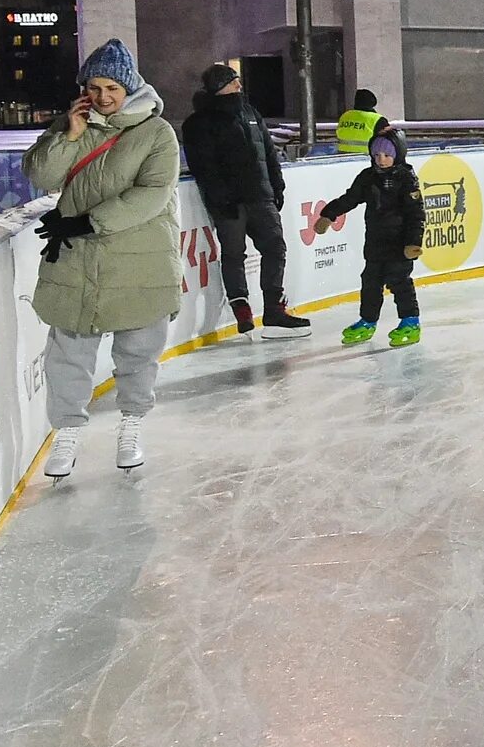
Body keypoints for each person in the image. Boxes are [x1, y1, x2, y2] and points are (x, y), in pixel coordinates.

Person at [23, 38, 183, 478]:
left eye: (112, 87)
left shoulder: (157, 133)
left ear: (129, 88)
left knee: (138, 351)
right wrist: (69, 135)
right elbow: (41, 176)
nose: (102, 97)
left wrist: (89, 222)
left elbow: (152, 194)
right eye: (94, 87)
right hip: (79, 260)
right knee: (69, 352)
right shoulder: (75, 125)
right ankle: (67, 434)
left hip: (140, 257)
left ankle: (131, 425)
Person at [181, 61, 309, 337]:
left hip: (261, 197)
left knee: (275, 249)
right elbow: (204, 166)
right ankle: (242, 310)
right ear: (219, 87)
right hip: (229, 203)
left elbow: (269, 153)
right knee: (234, 255)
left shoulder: (250, 113)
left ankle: (274, 308)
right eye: (233, 81)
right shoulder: (199, 123)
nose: (239, 85)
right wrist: (220, 198)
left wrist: (276, 187)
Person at [315, 131, 427, 346]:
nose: (381, 160)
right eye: (376, 155)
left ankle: (410, 321)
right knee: (370, 282)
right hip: (375, 241)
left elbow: (416, 213)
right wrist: (329, 213)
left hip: (399, 242)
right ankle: (368, 321)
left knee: (399, 282)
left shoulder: (406, 179)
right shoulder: (368, 177)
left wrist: (414, 242)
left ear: (398, 154)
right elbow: (350, 198)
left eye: (386, 155)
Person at [334, 87, 391, 157]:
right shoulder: (378, 119)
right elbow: (391, 140)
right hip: (366, 158)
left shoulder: (345, 116)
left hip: (341, 157)